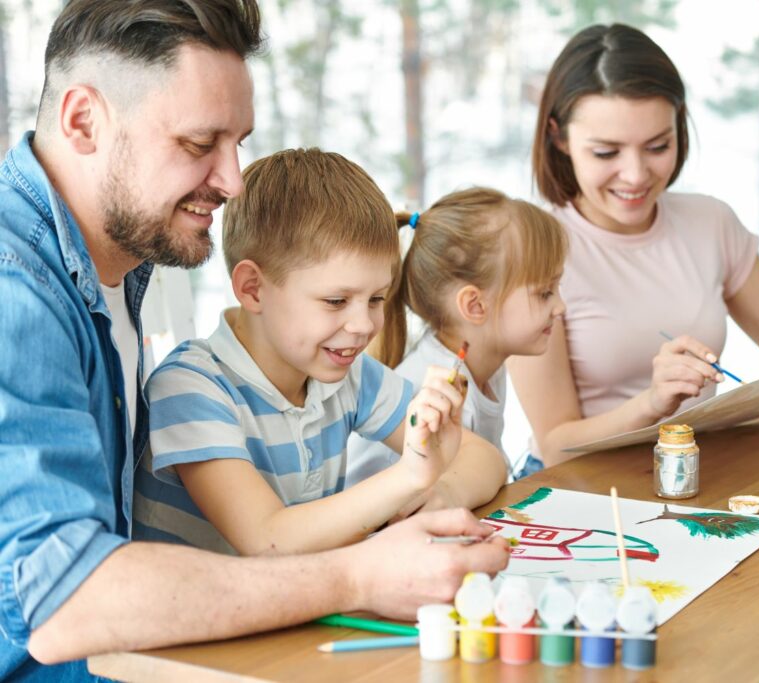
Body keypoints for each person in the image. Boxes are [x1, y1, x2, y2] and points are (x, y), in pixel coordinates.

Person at [0, 2, 505, 679]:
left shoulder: (125, 259)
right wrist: (358, 574)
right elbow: (66, 600)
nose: (233, 180)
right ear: (84, 121)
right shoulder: (16, 294)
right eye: (198, 143)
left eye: (238, 142)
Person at [511, 23, 759, 466]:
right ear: (558, 137)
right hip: (581, 487)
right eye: (606, 153)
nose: (636, 174)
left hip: (690, 471)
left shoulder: (710, 222)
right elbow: (554, 444)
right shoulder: (533, 256)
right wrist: (652, 403)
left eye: (657, 146)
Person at [134, 151, 508, 554]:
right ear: (253, 289)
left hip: (298, 603)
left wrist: (442, 492)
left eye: (377, 298)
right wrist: (411, 475)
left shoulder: (350, 374)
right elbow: (267, 540)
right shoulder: (190, 388)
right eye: (335, 301)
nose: (364, 324)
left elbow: (486, 459)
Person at [347, 188, 567, 483]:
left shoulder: (488, 368)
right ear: (475, 306)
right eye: (545, 293)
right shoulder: (436, 395)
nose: (560, 307)